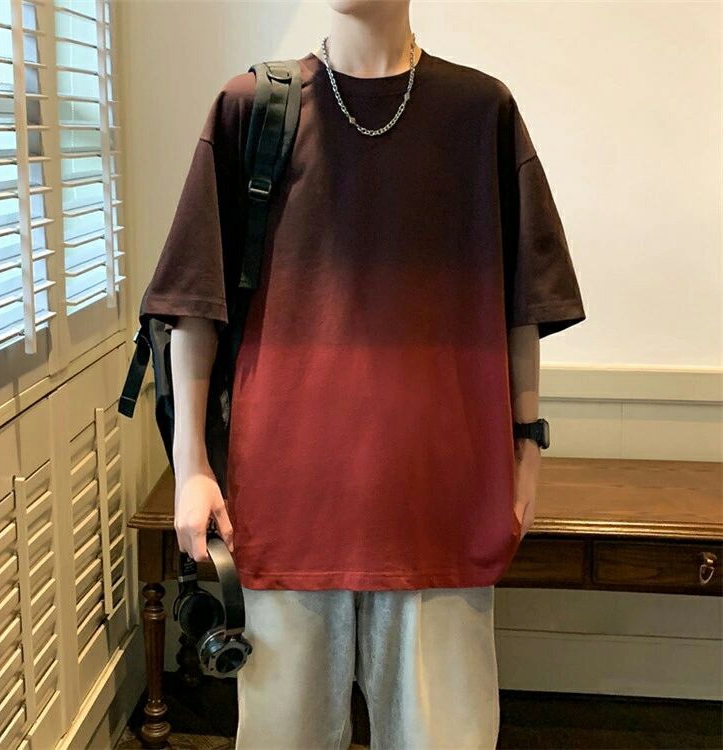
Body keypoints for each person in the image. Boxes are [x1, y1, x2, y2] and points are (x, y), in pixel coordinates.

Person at [140, 2, 586, 747]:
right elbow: (194, 304)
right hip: (285, 503)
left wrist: (526, 443)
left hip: (440, 499)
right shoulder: (252, 108)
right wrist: (191, 466)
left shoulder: (480, 113)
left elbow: (523, 300)